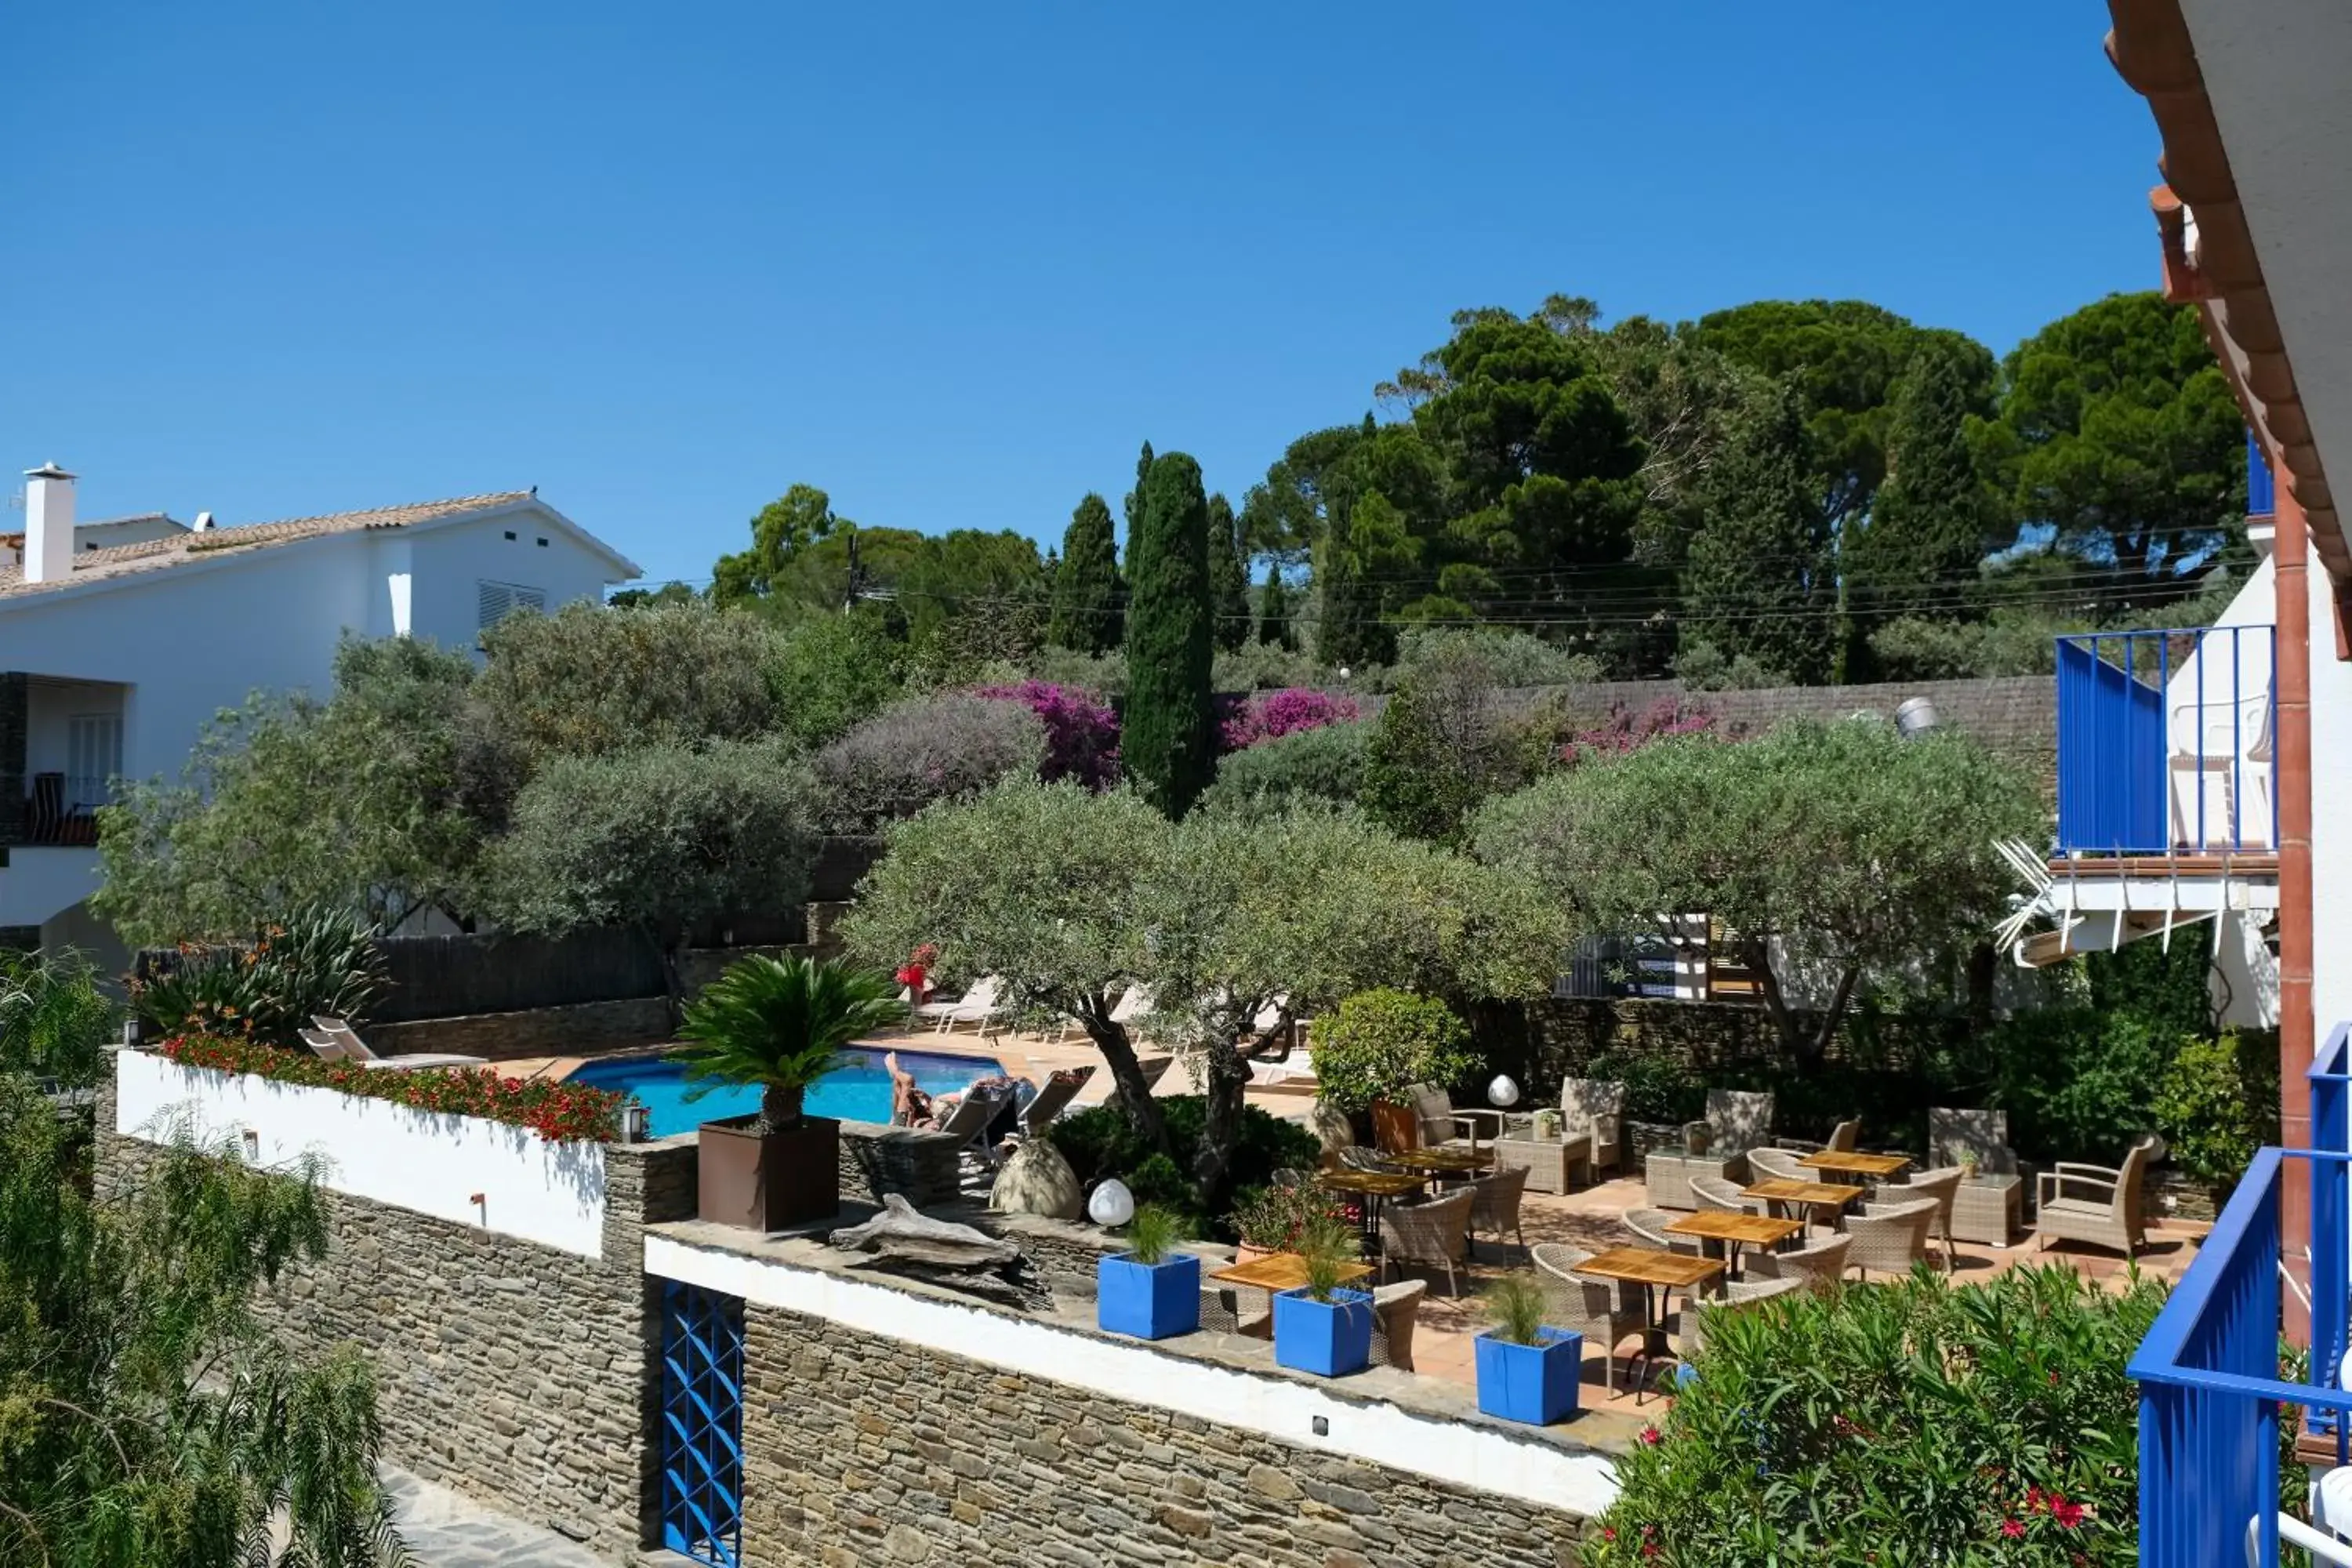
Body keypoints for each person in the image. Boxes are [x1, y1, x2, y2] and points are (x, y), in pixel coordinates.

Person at [885, 1051, 935, 1127]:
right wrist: (926, 1096)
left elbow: (910, 1132)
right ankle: (895, 1074)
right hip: (924, 1114)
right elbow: (934, 1110)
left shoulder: (935, 1130)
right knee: (899, 1084)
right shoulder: (949, 1117)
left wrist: (911, 1114)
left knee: (908, 1080)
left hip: (904, 1125)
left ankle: (894, 1071)